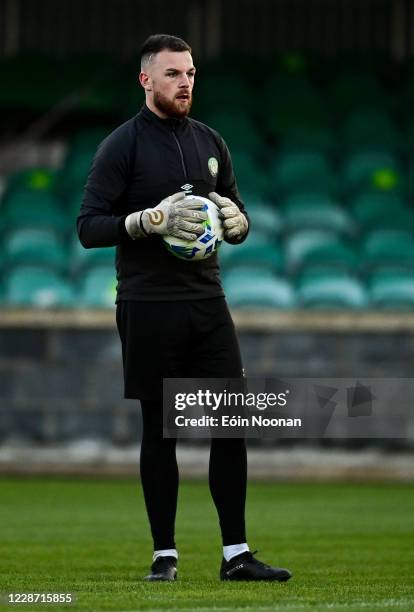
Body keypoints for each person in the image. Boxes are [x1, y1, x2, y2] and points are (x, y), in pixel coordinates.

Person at [77, 33, 292, 583]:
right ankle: (164, 555)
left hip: (207, 301)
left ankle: (236, 555)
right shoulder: (120, 146)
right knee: (161, 427)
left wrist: (240, 225)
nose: (186, 82)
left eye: (191, 73)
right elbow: (88, 227)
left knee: (230, 423)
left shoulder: (211, 141)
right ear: (146, 79)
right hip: (148, 303)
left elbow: (233, 208)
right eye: (174, 74)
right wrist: (146, 221)